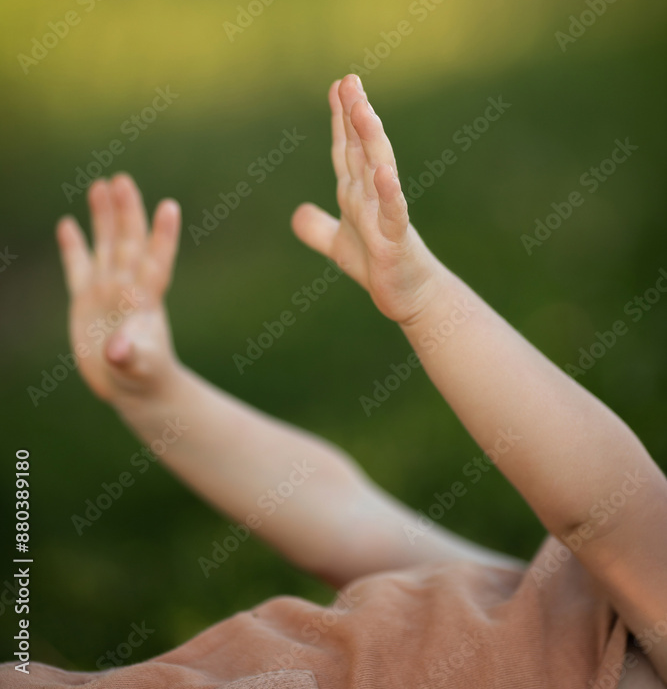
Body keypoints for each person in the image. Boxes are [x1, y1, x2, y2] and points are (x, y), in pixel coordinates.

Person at [3, 75, 665, 688]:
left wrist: (423, 297)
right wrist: (156, 397)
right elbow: (345, 518)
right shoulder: (556, 611)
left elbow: (608, 510)